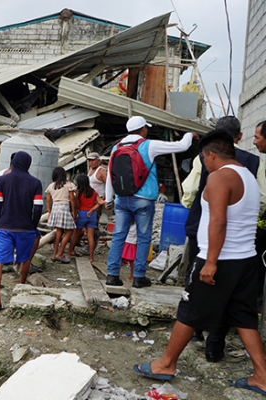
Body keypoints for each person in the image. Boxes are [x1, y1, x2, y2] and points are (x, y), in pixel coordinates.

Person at [133, 130, 266, 397]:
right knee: (243, 316)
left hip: (220, 259)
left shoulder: (219, 177)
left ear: (212, 155)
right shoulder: (249, 177)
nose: (205, 164)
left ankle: (166, 364)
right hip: (247, 259)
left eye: (204, 159)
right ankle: (262, 377)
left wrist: (211, 262)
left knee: (189, 310)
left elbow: (218, 221)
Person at [181, 116, 266, 358]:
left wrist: (210, 260)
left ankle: (172, 358)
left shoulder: (215, 168)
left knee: (193, 302)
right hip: (246, 251)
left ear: (211, 154)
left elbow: (195, 197)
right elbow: (262, 200)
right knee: (240, 311)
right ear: (238, 137)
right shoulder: (251, 165)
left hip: (216, 248)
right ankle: (216, 347)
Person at [105, 116, 195, 288]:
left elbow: (110, 174)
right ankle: (139, 276)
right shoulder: (149, 145)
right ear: (143, 129)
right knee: (143, 237)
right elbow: (182, 146)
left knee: (118, 237)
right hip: (144, 200)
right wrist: (189, 134)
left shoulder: (116, 147)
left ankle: (112, 275)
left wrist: (109, 199)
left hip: (121, 199)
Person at [0, 151, 43, 311]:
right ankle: (21, 289)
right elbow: (38, 207)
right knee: (25, 259)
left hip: (4, 227)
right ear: (28, 164)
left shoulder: (2, 180)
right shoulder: (35, 182)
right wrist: (33, 225)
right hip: (25, 228)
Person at [68, 174, 104, 263]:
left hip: (82, 214)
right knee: (90, 237)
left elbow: (76, 205)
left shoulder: (79, 192)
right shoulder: (94, 192)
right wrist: (92, 209)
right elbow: (100, 202)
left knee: (75, 235)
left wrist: (74, 214)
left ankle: (69, 252)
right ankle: (91, 258)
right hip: (92, 215)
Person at [46, 167, 77, 264]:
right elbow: (72, 199)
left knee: (58, 231)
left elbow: (48, 200)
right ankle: (60, 253)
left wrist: (49, 211)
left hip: (55, 208)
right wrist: (73, 210)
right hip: (64, 208)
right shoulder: (69, 184)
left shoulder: (51, 186)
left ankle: (54, 254)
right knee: (69, 231)